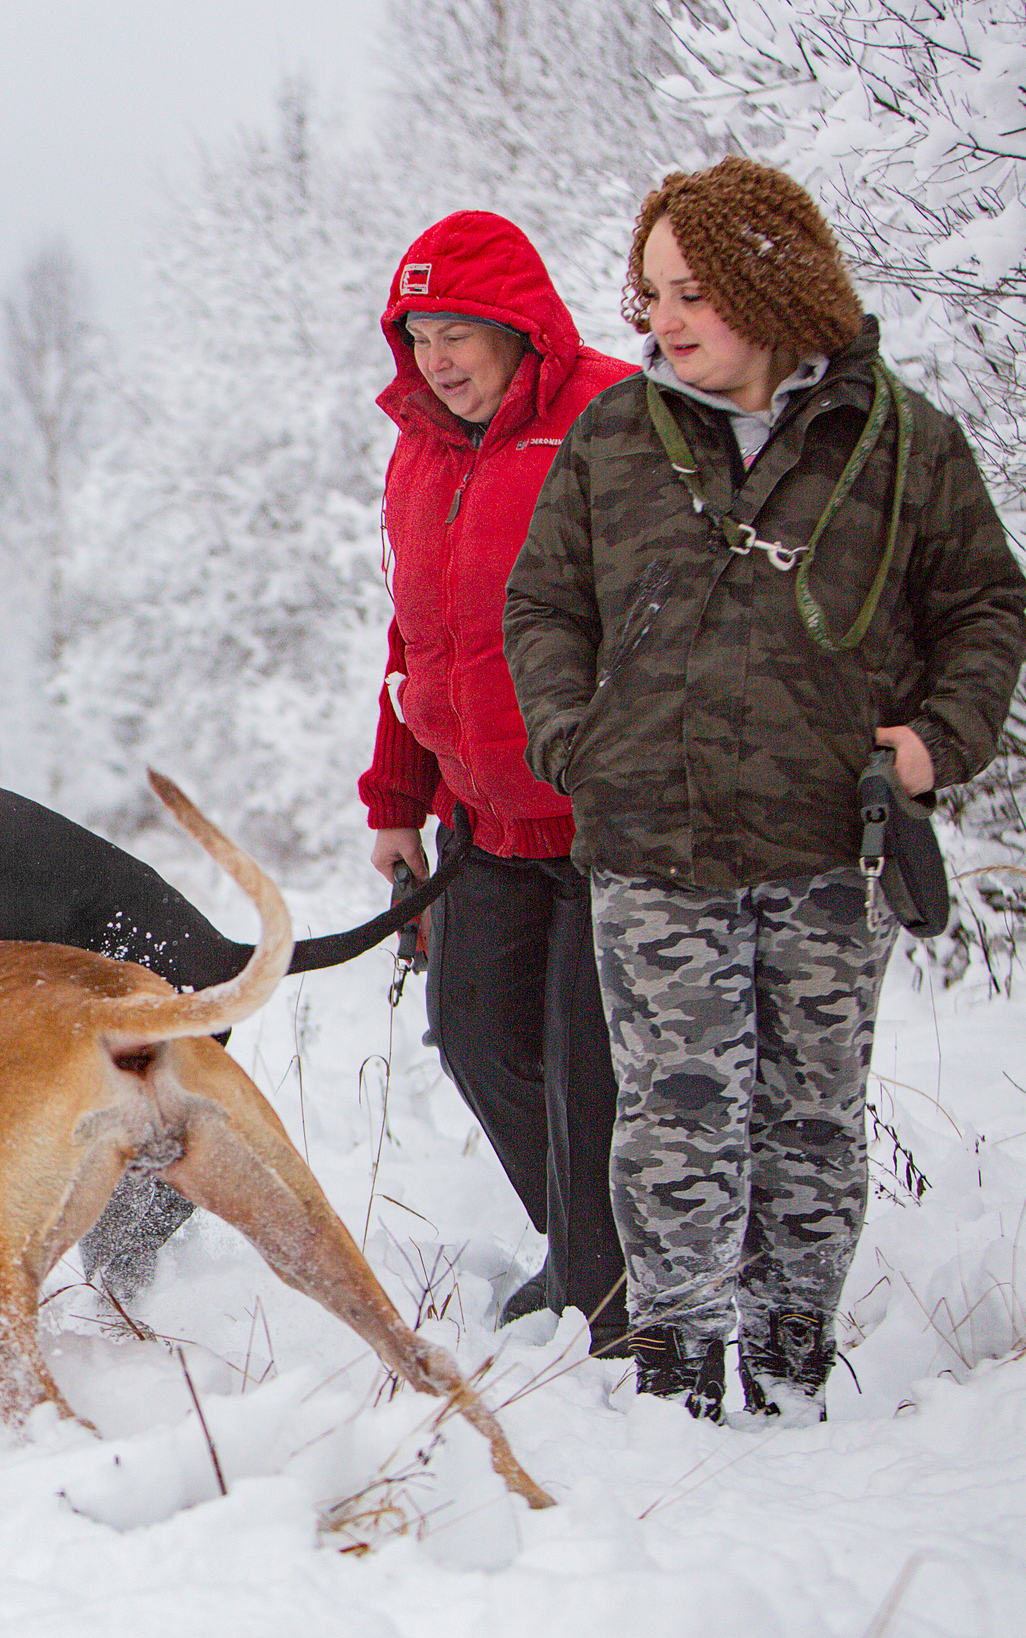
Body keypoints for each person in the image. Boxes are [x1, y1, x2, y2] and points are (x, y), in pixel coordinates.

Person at [505, 158, 1025, 1423]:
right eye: (652, 293)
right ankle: (677, 1369)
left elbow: (985, 610)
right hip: (651, 844)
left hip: (824, 846)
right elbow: (542, 606)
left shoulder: (902, 444)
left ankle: (790, 1366)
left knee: (807, 1122)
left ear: (771, 285)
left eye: (693, 291)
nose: (662, 320)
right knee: (674, 1119)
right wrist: (578, 743)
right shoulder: (613, 437)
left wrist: (932, 746)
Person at [360, 211, 635, 1356]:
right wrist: (395, 802)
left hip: (601, 817)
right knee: (473, 1036)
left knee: (590, 1067)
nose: (437, 359)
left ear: (521, 326)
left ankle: (608, 1292)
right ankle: (589, 1258)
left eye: (459, 331)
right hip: (480, 817)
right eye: (417, 334)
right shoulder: (420, 449)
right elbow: (414, 636)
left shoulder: (616, 420)